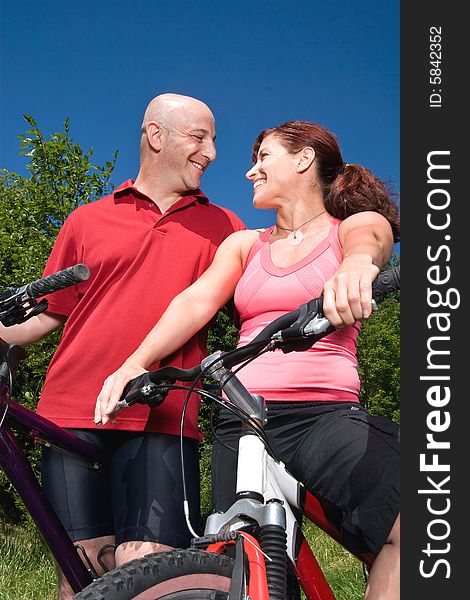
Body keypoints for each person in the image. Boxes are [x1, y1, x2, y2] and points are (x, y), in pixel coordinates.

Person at [96, 120, 400, 600]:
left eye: (263, 157)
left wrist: (356, 267)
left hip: (321, 415)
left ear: (303, 159)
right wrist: (137, 362)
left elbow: (372, 240)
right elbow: (195, 302)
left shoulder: (351, 230)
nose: (250, 172)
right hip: (240, 417)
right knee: (248, 569)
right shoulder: (245, 245)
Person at [0, 93, 245, 600]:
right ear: (157, 135)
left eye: (214, 139)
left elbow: (265, 292)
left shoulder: (226, 228)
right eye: (200, 137)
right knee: (80, 574)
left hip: (163, 414)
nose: (213, 152)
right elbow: (50, 313)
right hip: (69, 410)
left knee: (149, 571)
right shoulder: (86, 220)